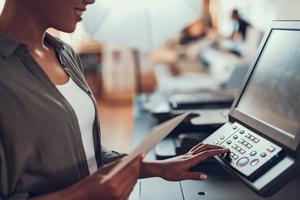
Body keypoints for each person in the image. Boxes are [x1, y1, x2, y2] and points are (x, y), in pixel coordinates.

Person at [0, 0, 229, 199]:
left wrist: (158, 168)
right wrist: (82, 195)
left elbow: (88, 154)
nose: (90, 0)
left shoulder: (64, 53)